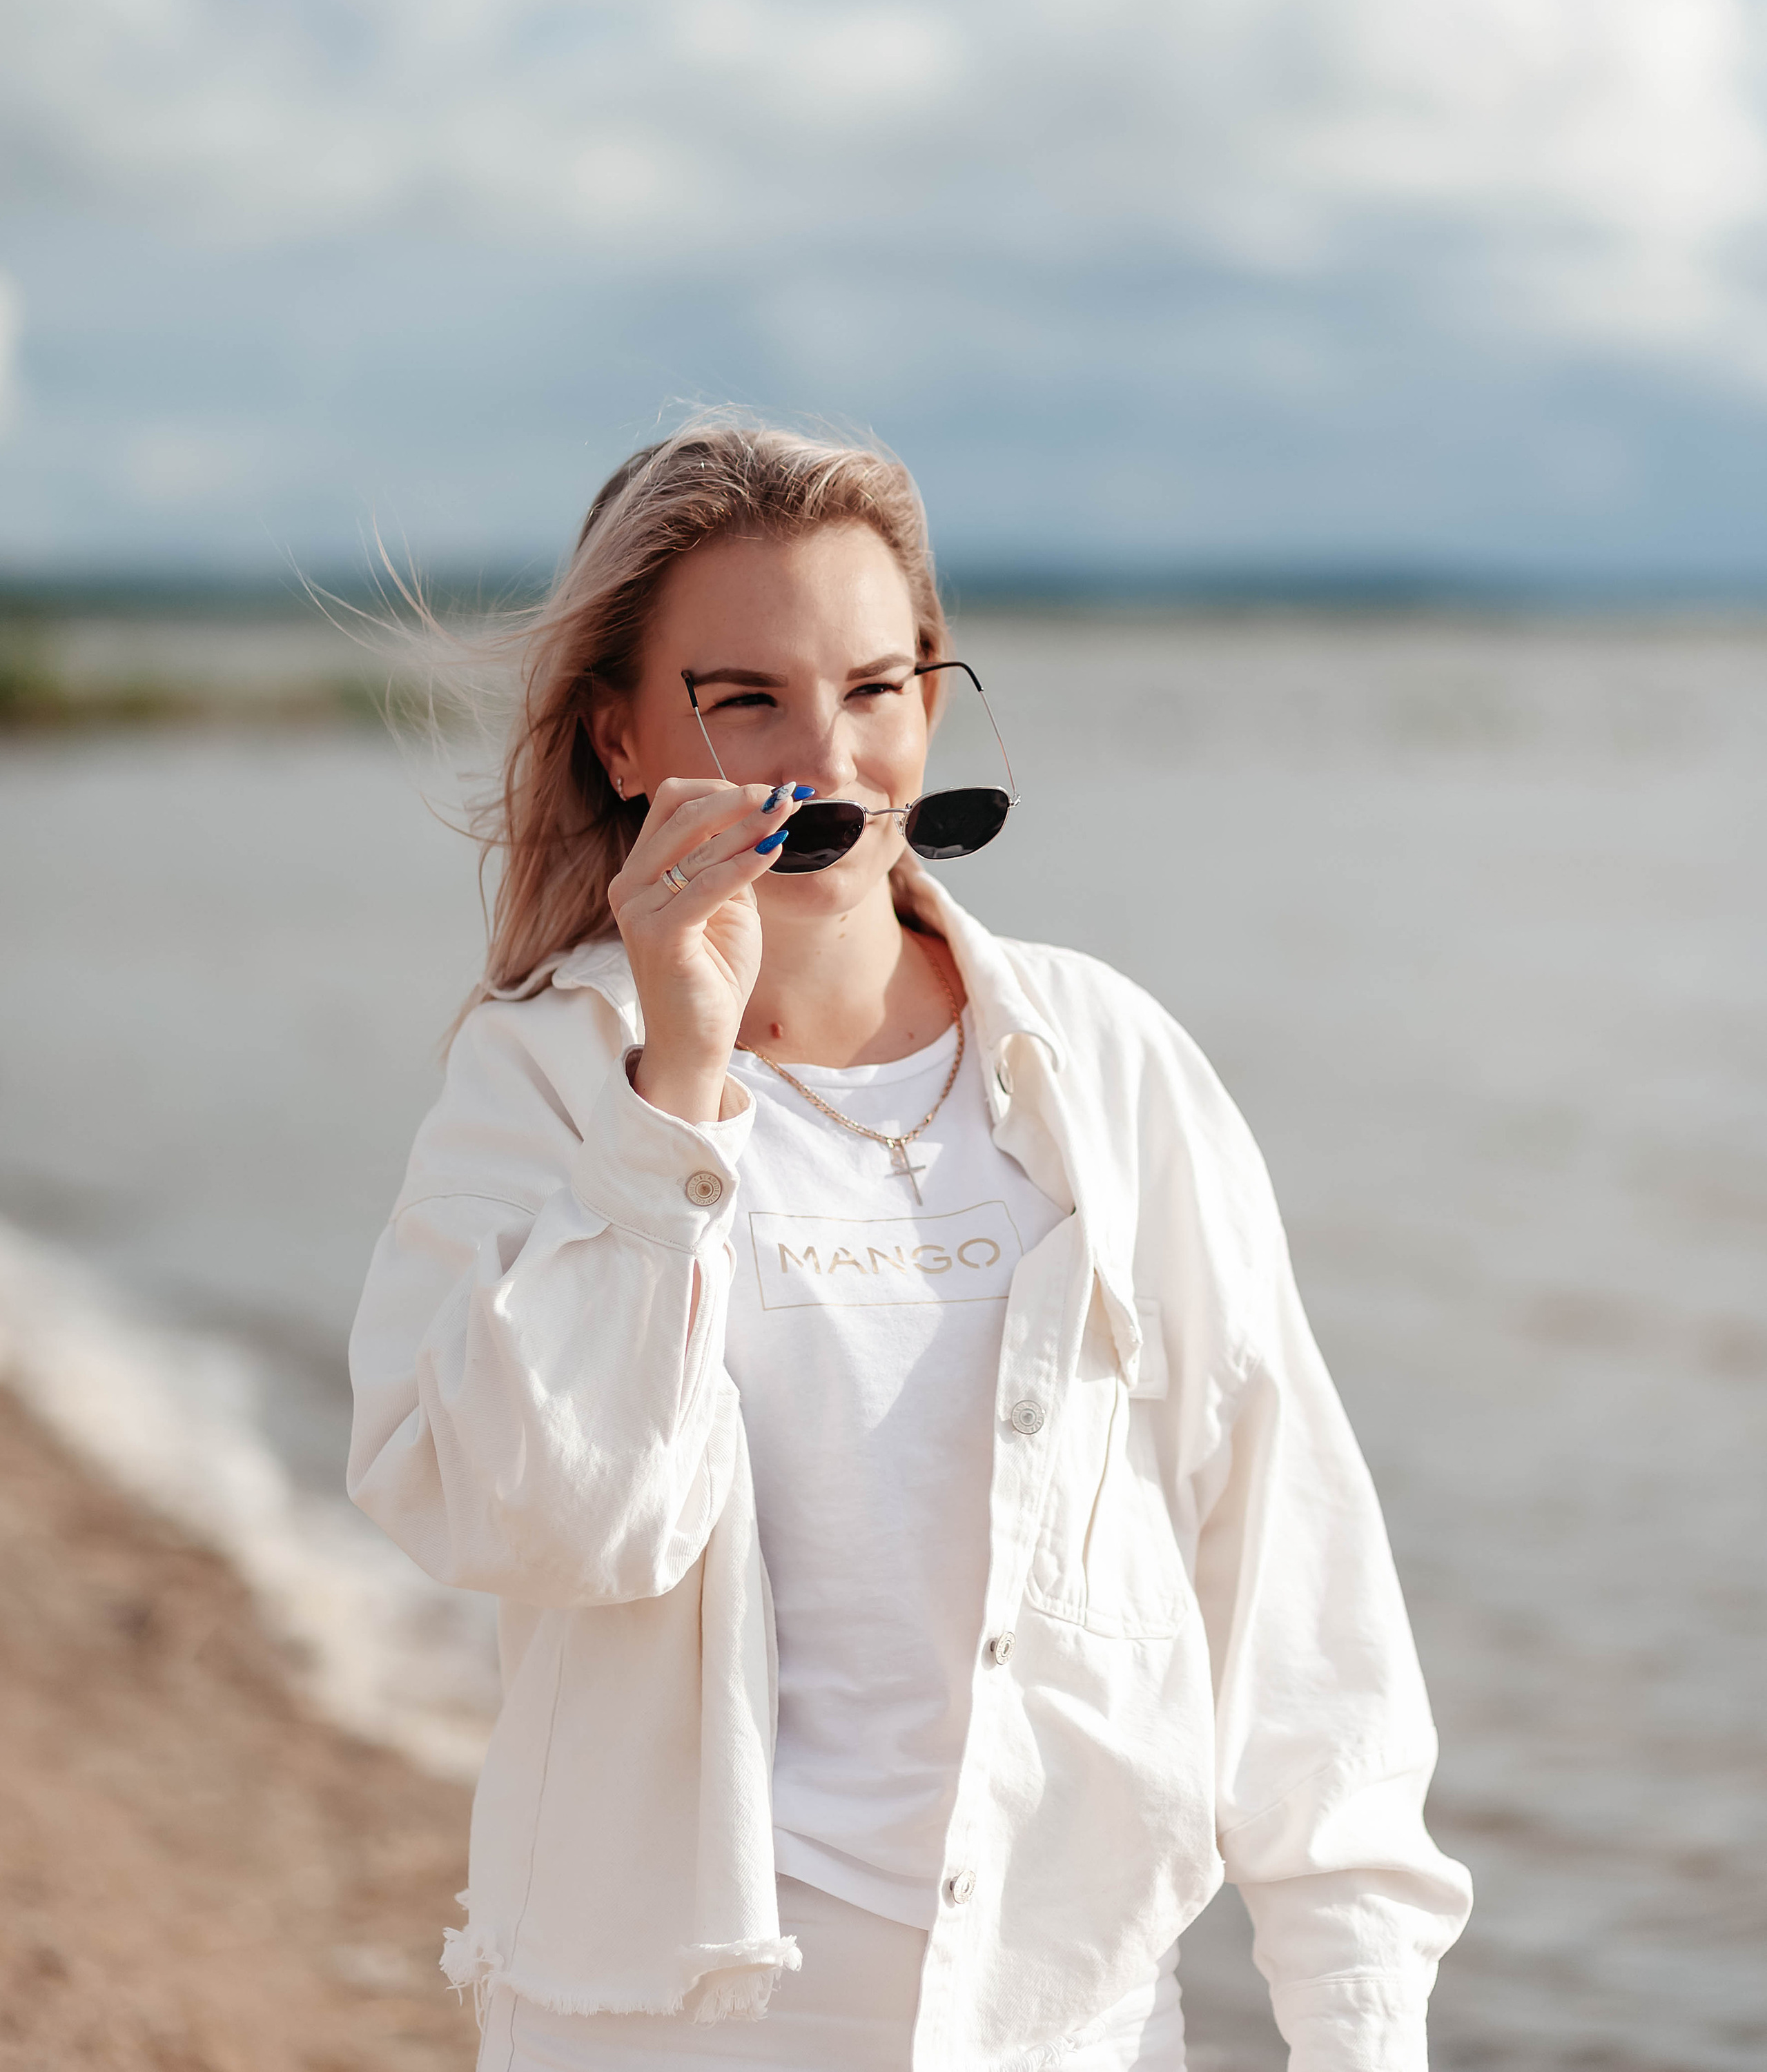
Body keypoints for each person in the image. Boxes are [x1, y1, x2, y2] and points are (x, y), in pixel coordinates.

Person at [347, 418, 1471, 2072]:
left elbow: (1285, 1570)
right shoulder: (547, 1075)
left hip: (1072, 2026)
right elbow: (537, 1523)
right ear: (618, 739)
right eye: (745, 699)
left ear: (929, 706)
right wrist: (678, 1095)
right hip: (673, 2031)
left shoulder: (1111, 1063)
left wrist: (1359, 2024)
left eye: (875, 690)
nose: (827, 758)